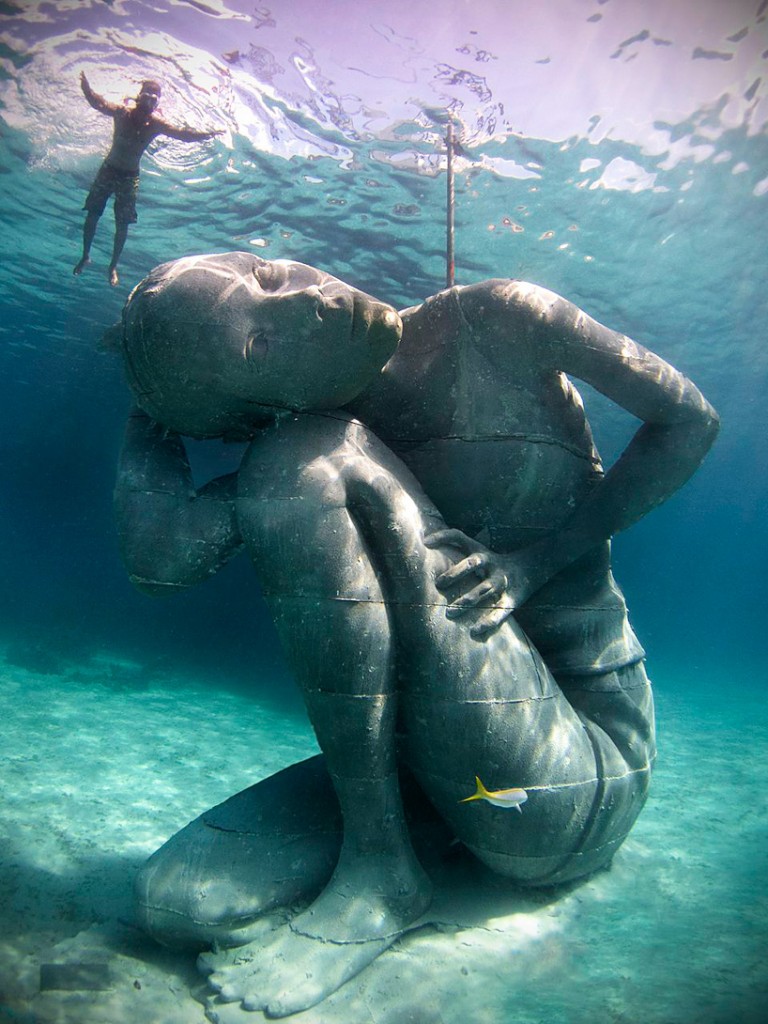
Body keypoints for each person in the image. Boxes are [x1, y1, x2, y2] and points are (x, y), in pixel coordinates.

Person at [110, 253, 719, 1017]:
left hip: (587, 768)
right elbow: (160, 560)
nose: (305, 301)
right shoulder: (332, 439)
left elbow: (691, 420)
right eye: (259, 346)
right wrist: (155, 406)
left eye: (264, 273)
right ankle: (406, 843)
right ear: (264, 401)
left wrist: (537, 565)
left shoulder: (500, 320)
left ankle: (380, 871)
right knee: (175, 900)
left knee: (301, 458)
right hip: (460, 776)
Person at [72, 73, 221, 286]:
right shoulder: (122, 113)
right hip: (108, 170)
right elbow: (98, 103)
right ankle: (85, 256)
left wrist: (207, 134)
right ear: (139, 97)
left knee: (122, 224)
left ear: (157, 103)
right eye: (147, 95)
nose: (150, 100)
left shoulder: (156, 124)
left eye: (155, 98)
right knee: (92, 215)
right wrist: (86, 86)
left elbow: (182, 134)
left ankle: (113, 266)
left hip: (129, 177)